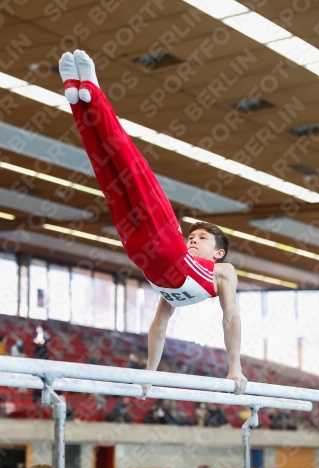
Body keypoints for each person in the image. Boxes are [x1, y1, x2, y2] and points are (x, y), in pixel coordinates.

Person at [59, 50, 247, 397]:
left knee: (104, 168)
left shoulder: (222, 273)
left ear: (219, 252)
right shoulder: (190, 262)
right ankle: (90, 92)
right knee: (126, 160)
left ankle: (79, 102)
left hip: (137, 249)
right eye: (194, 234)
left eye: (202, 238)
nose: (195, 239)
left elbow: (176, 326)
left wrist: (152, 375)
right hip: (162, 237)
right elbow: (173, 328)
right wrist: (152, 375)